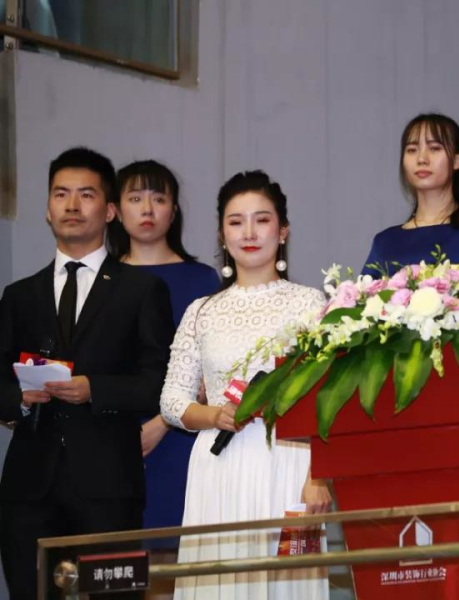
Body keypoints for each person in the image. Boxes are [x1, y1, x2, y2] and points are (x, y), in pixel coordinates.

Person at [0, 147, 174, 599]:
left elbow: (158, 382)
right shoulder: (19, 295)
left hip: (108, 487)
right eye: (61, 194)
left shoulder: (142, 290)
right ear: (47, 209)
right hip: (29, 489)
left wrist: (94, 389)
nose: (72, 206)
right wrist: (19, 399)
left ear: (110, 211)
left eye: (86, 194)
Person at [160, 170, 330, 599]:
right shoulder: (201, 311)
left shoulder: (311, 303)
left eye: (262, 220)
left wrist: (319, 478)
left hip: (290, 465)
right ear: (222, 234)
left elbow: (328, 401)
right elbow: (172, 400)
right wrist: (213, 414)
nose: (249, 233)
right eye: (236, 222)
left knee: (289, 584)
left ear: (283, 230)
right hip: (219, 468)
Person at [108, 160, 220, 531]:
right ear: (115, 210)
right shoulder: (99, 279)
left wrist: (161, 424)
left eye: (158, 199)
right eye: (135, 198)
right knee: (112, 557)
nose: (147, 209)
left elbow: (211, 371)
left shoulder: (202, 280)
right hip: (109, 442)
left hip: (181, 436)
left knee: (175, 551)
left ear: (173, 212)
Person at [362, 113, 459, 285]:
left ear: (458, 159)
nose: (422, 159)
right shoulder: (385, 242)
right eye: (412, 150)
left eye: (434, 148)